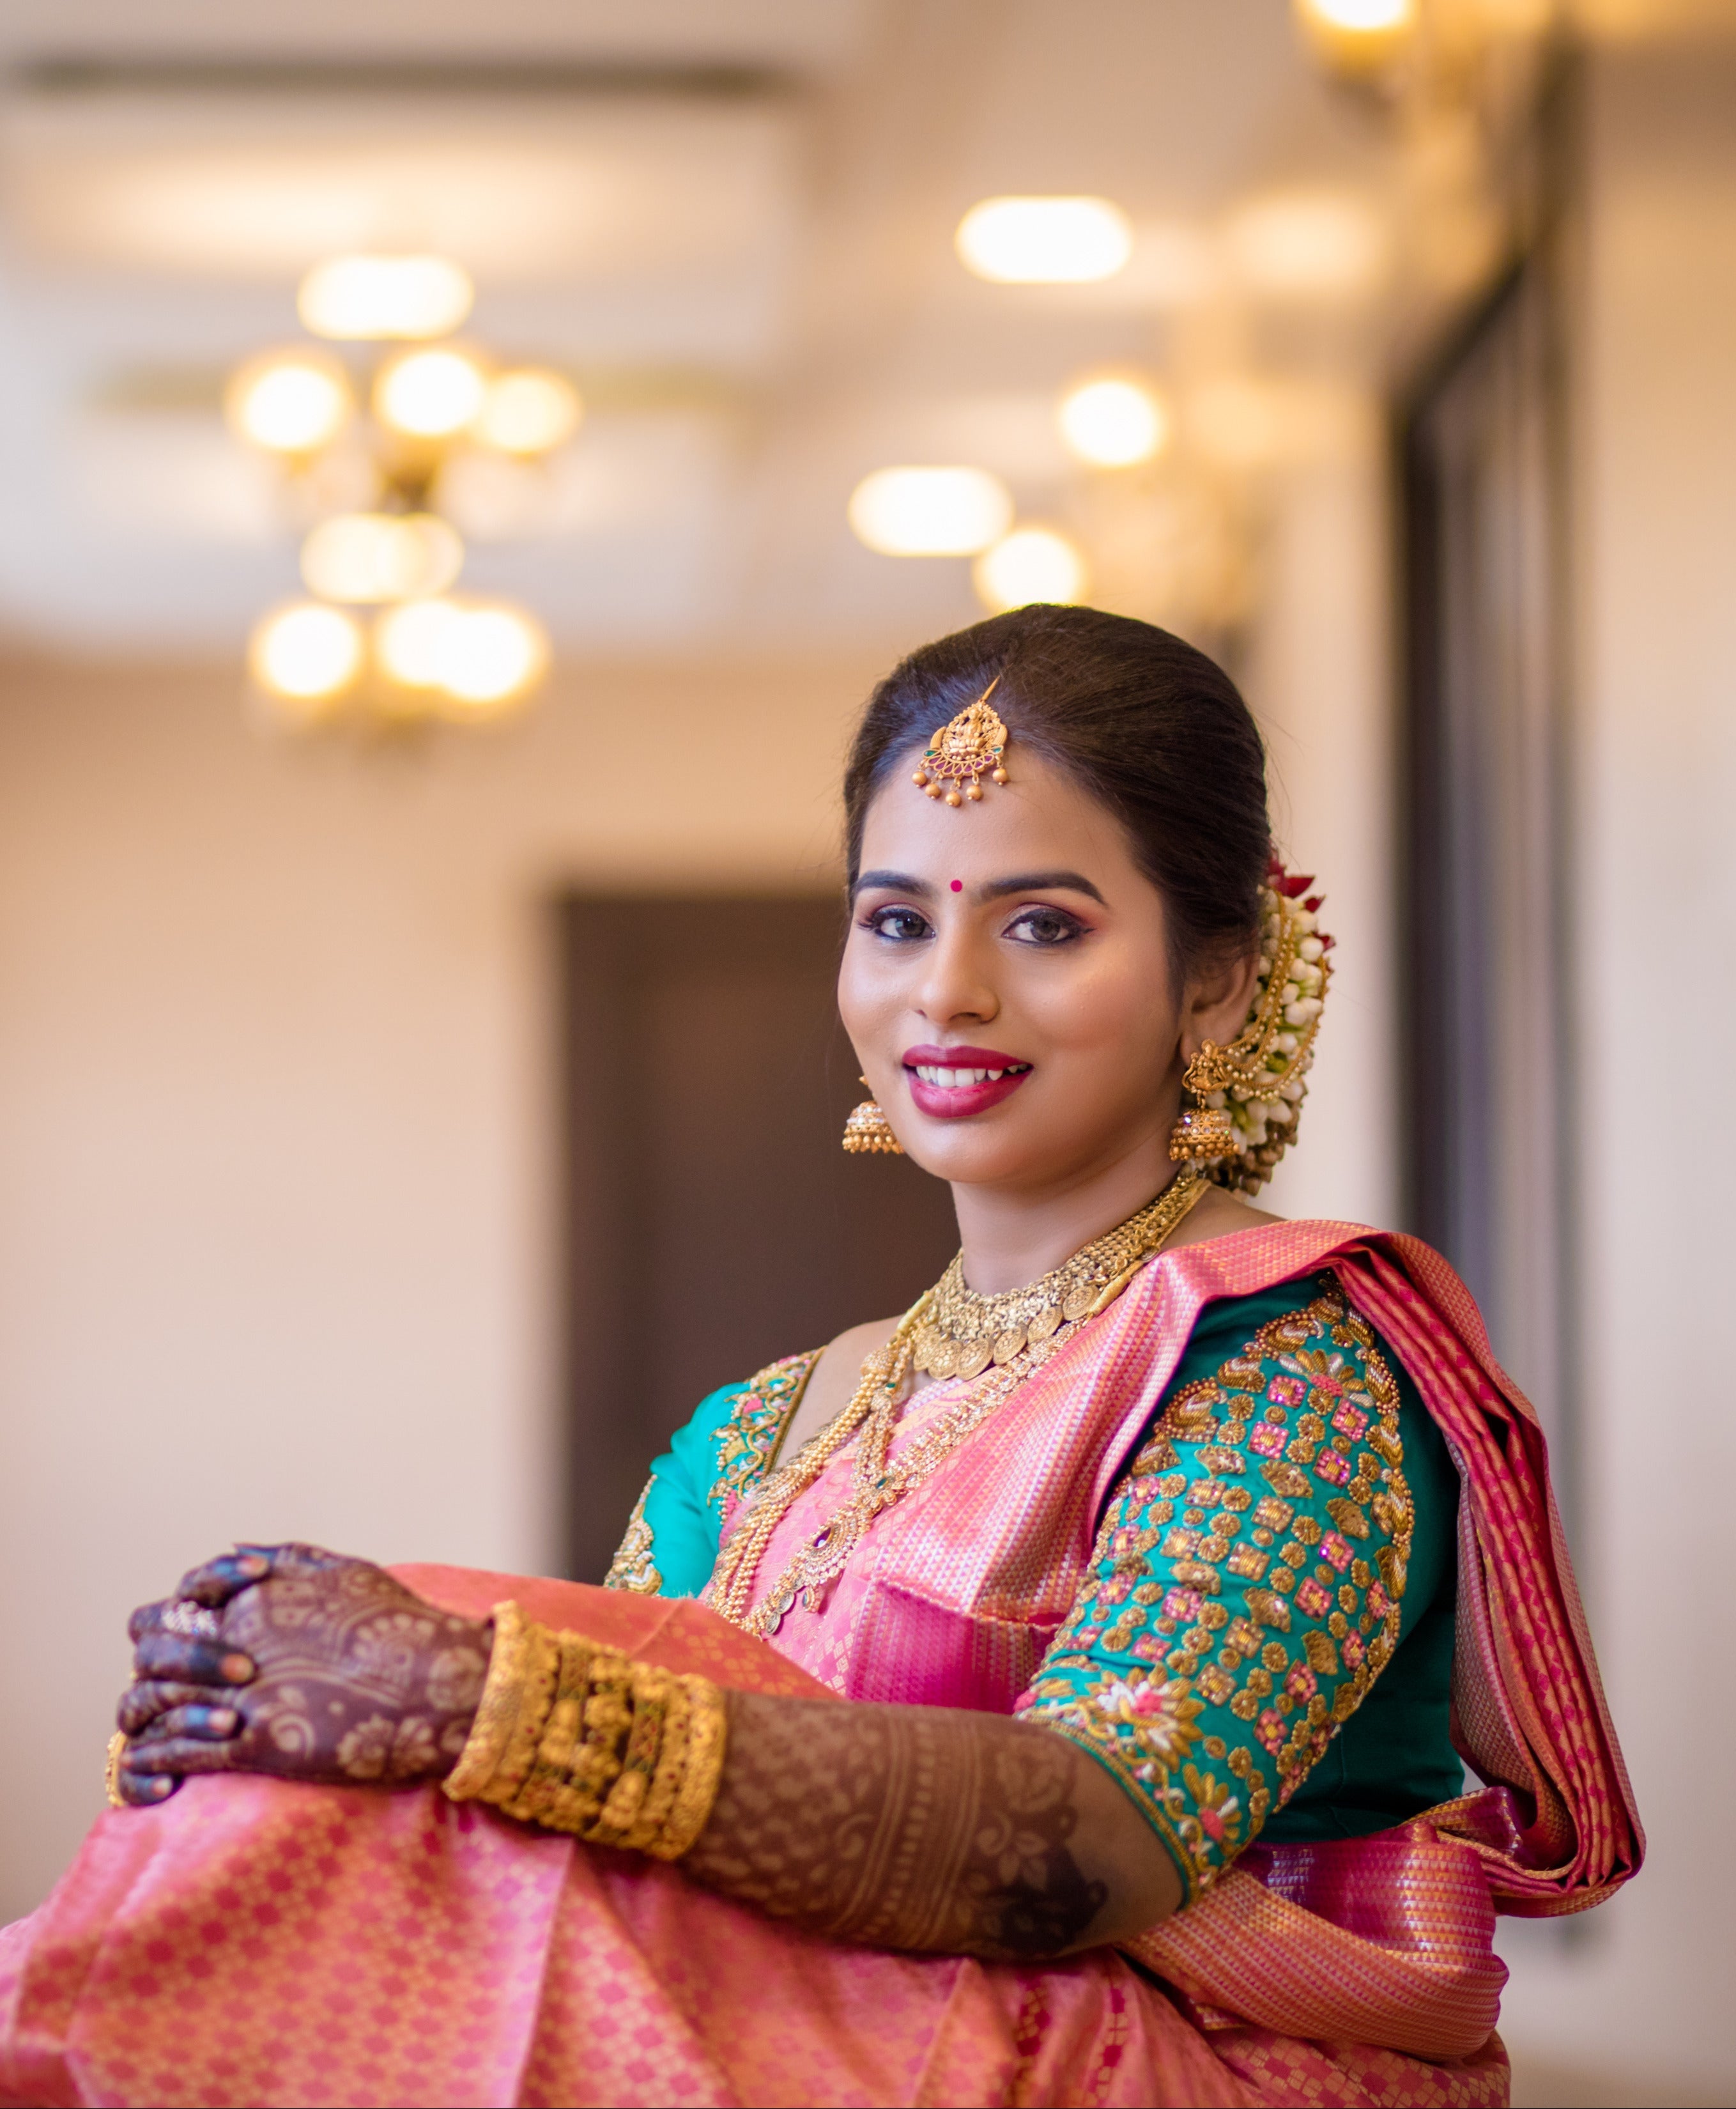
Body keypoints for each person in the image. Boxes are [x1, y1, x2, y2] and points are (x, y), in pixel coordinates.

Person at [0, 606, 1639, 2109]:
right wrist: (300, 1716)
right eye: (897, 918)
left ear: (1216, 983)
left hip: (1176, 2064)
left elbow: (1094, 1845)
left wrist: (477, 1701)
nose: (950, 992)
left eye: (1047, 926)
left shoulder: (1291, 1356)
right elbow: (596, 1845)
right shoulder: (766, 1424)